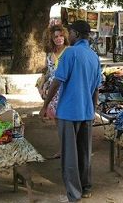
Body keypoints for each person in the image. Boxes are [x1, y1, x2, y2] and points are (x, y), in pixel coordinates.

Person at [39, 20, 101, 202]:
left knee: (69, 155)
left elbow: (57, 81)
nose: (68, 36)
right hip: (86, 112)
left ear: (76, 33)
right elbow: (96, 88)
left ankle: (74, 194)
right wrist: (93, 110)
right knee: (84, 152)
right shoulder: (93, 56)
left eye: (70, 32)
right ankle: (86, 187)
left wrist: (45, 106)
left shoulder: (70, 53)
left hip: (68, 112)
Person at [36, 24, 69, 159]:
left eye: (61, 35)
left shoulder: (69, 52)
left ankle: (70, 150)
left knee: (67, 122)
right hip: (53, 93)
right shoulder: (49, 56)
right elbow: (49, 73)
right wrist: (42, 82)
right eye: (56, 36)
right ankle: (63, 149)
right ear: (51, 39)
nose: (59, 38)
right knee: (58, 123)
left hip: (66, 91)